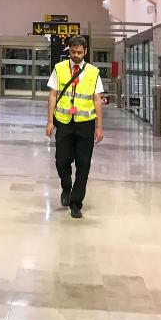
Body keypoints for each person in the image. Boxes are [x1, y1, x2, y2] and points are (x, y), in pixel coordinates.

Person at [45, 34, 104, 219]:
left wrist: (99, 126)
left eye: (79, 52)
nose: (76, 55)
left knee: (83, 164)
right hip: (63, 122)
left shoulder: (93, 72)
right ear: (69, 51)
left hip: (85, 124)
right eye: (73, 52)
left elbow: (97, 100)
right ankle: (66, 186)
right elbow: (53, 95)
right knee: (61, 161)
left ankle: (76, 203)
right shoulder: (59, 68)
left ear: (85, 52)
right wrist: (49, 121)